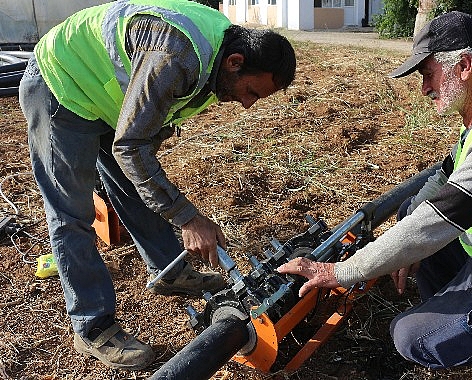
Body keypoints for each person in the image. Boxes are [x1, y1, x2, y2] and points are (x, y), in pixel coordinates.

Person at [278, 11, 472, 380]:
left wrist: (341, 270)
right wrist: (405, 239)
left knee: (412, 338)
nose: (424, 88)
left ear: (463, 66)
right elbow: (442, 180)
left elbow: (435, 222)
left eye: (428, 74)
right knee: (413, 220)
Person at [19, 0, 295, 371]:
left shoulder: (220, 53)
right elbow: (131, 146)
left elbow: (141, 138)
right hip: (62, 83)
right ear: (236, 62)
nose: (247, 104)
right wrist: (189, 219)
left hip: (107, 97)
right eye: (252, 92)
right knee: (72, 214)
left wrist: (161, 187)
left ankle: (169, 270)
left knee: (135, 189)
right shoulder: (176, 55)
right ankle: (92, 327)